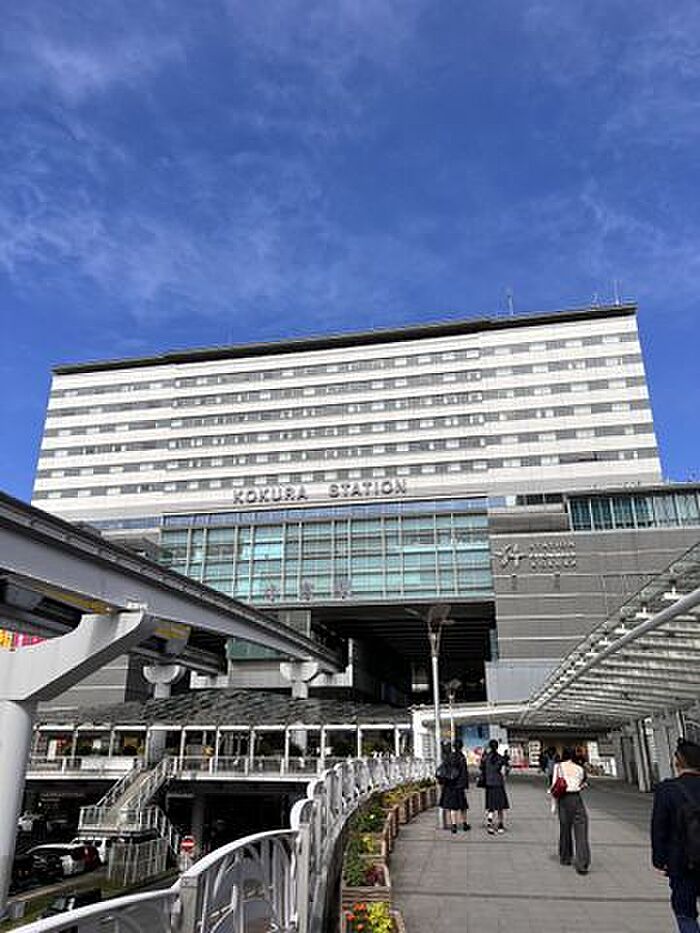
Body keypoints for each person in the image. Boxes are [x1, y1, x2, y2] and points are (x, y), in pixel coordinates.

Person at [651, 738, 700, 932]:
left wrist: (659, 860)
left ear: (677, 762)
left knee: (684, 911)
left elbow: (659, 827)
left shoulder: (667, 789)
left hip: (681, 861)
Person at [551, 746, 590, 875]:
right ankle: (582, 863)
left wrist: (553, 805)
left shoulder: (558, 767)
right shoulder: (580, 768)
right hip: (576, 799)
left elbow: (554, 785)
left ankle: (565, 857)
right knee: (581, 831)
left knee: (565, 828)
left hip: (563, 800)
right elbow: (582, 784)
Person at [437, 741, 471, 834]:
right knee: (462, 806)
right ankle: (464, 824)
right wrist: (465, 785)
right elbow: (464, 772)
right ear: (461, 747)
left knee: (452, 807)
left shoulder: (449, 756)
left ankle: (454, 825)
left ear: (453, 747)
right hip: (459, 786)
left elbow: (444, 769)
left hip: (449, 785)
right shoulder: (462, 757)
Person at [479, 739, 510, 834]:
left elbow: (481, 768)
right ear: (497, 747)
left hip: (489, 784)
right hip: (499, 783)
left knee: (491, 806)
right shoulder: (500, 758)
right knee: (500, 807)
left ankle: (490, 825)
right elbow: (507, 768)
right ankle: (500, 825)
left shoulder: (485, 758)